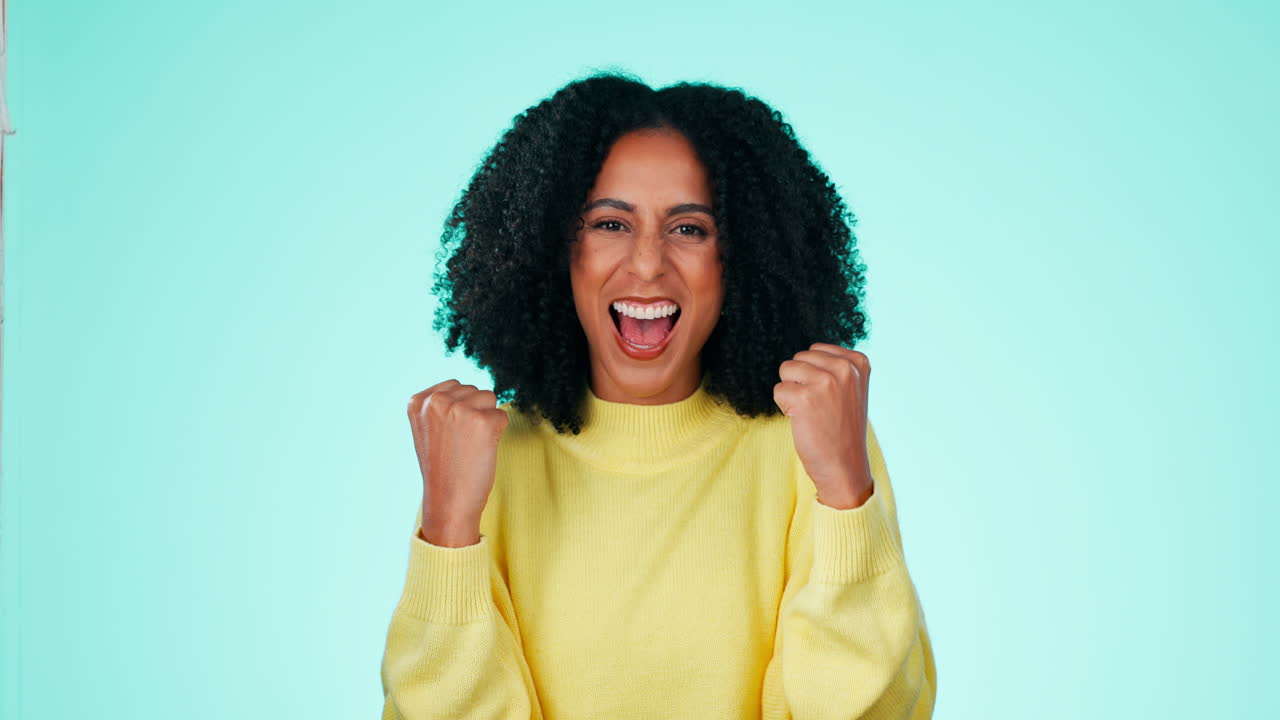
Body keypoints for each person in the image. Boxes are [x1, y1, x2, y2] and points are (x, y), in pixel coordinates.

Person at [380, 71, 937, 719]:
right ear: (556, 248)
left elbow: (876, 711)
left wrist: (845, 495)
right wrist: (448, 530)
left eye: (690, 229)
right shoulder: (484, 458)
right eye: (610, 224)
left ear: (743, 256)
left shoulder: (813, 443)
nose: (647, 264)